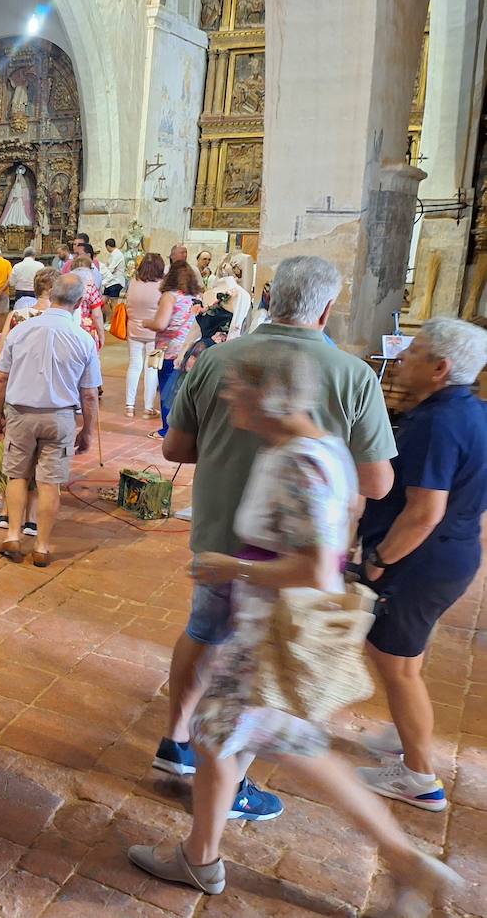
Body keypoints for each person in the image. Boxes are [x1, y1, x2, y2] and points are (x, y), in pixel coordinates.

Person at [128, 343, 463, 913]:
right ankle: (201, 854)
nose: (230, 396)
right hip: (263, 628)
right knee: (227, 739)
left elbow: (313, 563)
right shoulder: (320, 447)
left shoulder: (297, 461)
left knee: (252, 741)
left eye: (240, 388)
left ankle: (401, 859)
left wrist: (228, 566)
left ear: (270, 397)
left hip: (266, 637)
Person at [153, 255, 396, 821]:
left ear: (270, 296)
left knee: (206, 635)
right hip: (275, 562)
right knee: (260, 689)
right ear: (328, 308)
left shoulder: (219, 359)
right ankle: (218, 802)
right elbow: (379, 481)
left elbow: (175, 448)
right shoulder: (354, 376)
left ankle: (177, 743)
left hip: (224, 540)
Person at [356, 318, 487, 810]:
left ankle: (419, 776)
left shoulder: (438, 422)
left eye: (414, 353)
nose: (402, 358)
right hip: (453, 554)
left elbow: (424, 511)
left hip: (421, 561)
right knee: (405, 655)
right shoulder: (474, 411)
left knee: (398, 666)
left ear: (440, 368)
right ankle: (403, 735)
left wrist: (377, 559)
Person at [0, 272, 101, 567]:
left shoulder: (21, 330)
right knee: (50, 482)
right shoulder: (83, 339)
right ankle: (42, 545)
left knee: (17, 475)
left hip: (21, 414)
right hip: (60, 417)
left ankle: (13, 535)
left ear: (50, 295)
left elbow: (0, 376)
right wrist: (87, 431)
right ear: (78, 303)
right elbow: (89, 395)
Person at [144, 260, 202, 441]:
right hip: (192, 349)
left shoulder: (170, 296)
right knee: (185, 393)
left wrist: (147, 323)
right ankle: (187, 431)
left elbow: (161, 323)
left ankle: (168, 431)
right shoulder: (197, 296)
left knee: (168, 392)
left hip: (170, 350)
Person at [124, 252, 165, 418]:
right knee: (152, 368)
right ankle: (148, 408)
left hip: (134, 328)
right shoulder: (162, 285)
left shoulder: (133, 281)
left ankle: (129, 406)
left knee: (134, 366)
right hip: (155, 331)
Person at [70, 254, 106, 349]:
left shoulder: (67, 286)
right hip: (87, 328)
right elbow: (97, 315)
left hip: (69, 326)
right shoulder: (90, 287)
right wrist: (101, 334)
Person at [102, 237, 128, 308]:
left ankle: (114, 319)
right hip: (110, 282)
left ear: (107, 246)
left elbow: (110, 269)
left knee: (114, 305)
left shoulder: (117, 254)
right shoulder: (113, 254)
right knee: (103, 302)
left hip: (116, 282)